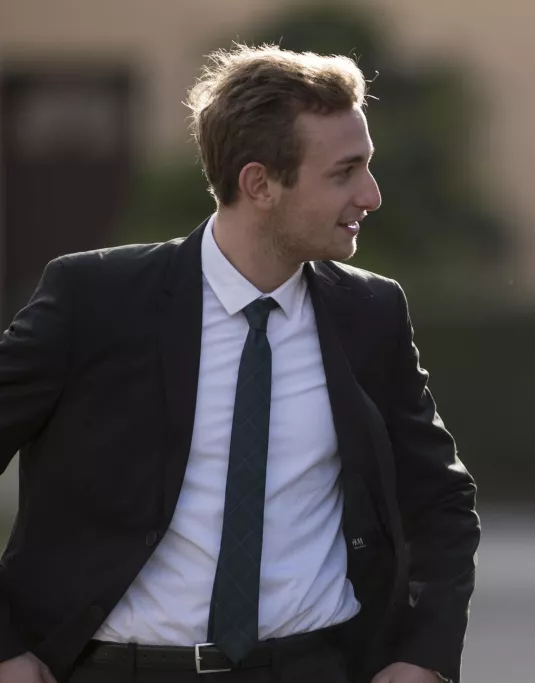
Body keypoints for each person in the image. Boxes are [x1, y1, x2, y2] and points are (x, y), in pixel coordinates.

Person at [0, 44, 479, 683]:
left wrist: (423, 654)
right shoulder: (94, 301)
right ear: (259, 185)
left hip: (314, 667)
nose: (371, 195)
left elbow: (440, 498)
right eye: (344, 172)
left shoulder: (371, 312)